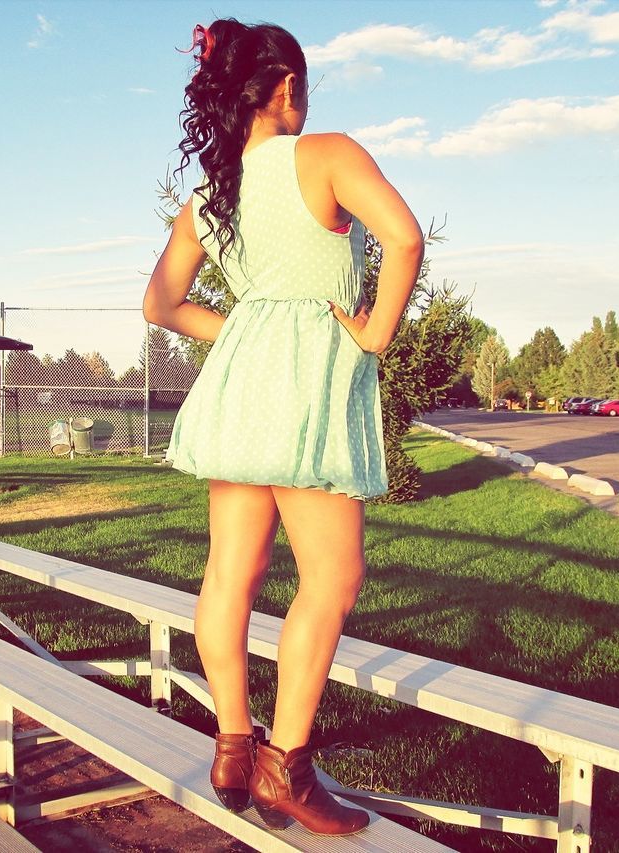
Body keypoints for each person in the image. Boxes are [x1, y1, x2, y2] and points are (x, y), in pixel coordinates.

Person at [142, 18, 422, 836]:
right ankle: (285, 768)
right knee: (331, 578)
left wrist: (240, 330)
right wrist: (374, 332)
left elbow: (161, 304)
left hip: (242, 385)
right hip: (311, 386)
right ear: (287, 87)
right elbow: (403, 237)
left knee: (230, 574)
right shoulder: (327, 154)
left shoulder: (210, 196)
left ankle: (233, 743)